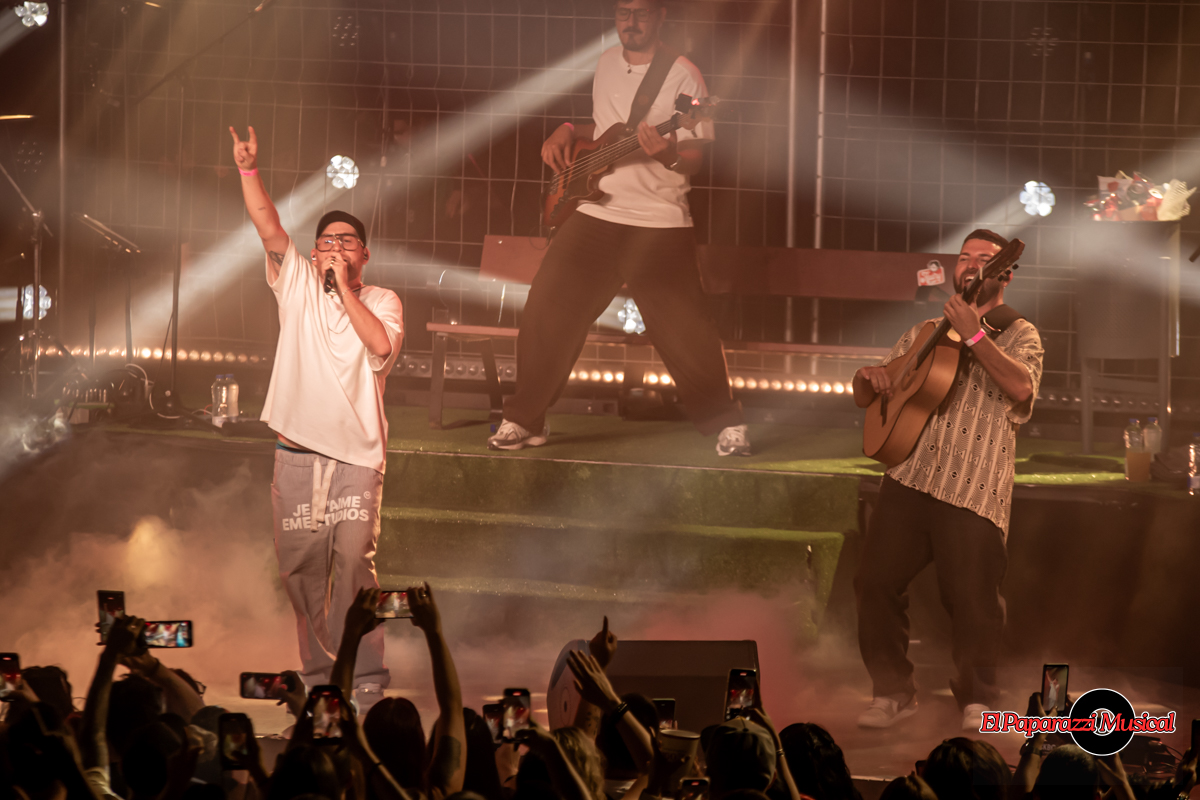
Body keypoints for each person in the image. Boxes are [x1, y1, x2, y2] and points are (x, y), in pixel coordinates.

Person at [485, 0, 749, 457]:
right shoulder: (606, 62)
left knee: (686, 328)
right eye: (623, 12)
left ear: (660, 16)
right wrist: (569, 128)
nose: (631, 22)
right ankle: (524, 420)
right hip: (596, 213)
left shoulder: (684, 76)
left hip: (658, 221)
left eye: (641, 13)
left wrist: (665, 153)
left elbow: (693, 158)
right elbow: (607, 128)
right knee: (546, 307)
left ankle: (727, 423)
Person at [229, 125, 404, 705]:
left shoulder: (381, 299)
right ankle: (321, 682)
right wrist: (248, 170)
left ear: (364, 254)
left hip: (357, 458)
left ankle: (368, 680)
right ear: (312, 251)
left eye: (347, 241)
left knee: (354, 567)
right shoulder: (296, 282)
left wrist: (344, 288)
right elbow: (267, 224)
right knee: (302, 575)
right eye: (326, 239)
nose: (335, 246)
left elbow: (380, 347)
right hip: (298, 455)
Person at [852, 229, 1044, 732]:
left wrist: (976, 335)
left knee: (975, 602)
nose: (971, 264)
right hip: (909, 474)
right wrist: (870, 378)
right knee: (874, 583)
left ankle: (978, 699)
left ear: (1004, 273)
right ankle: (892, 692)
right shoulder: (923, 331)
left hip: (973, 485)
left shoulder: (1019, 331)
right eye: (964, 257)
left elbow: (1022, 388)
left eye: (983, 258)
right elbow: (878, 389)